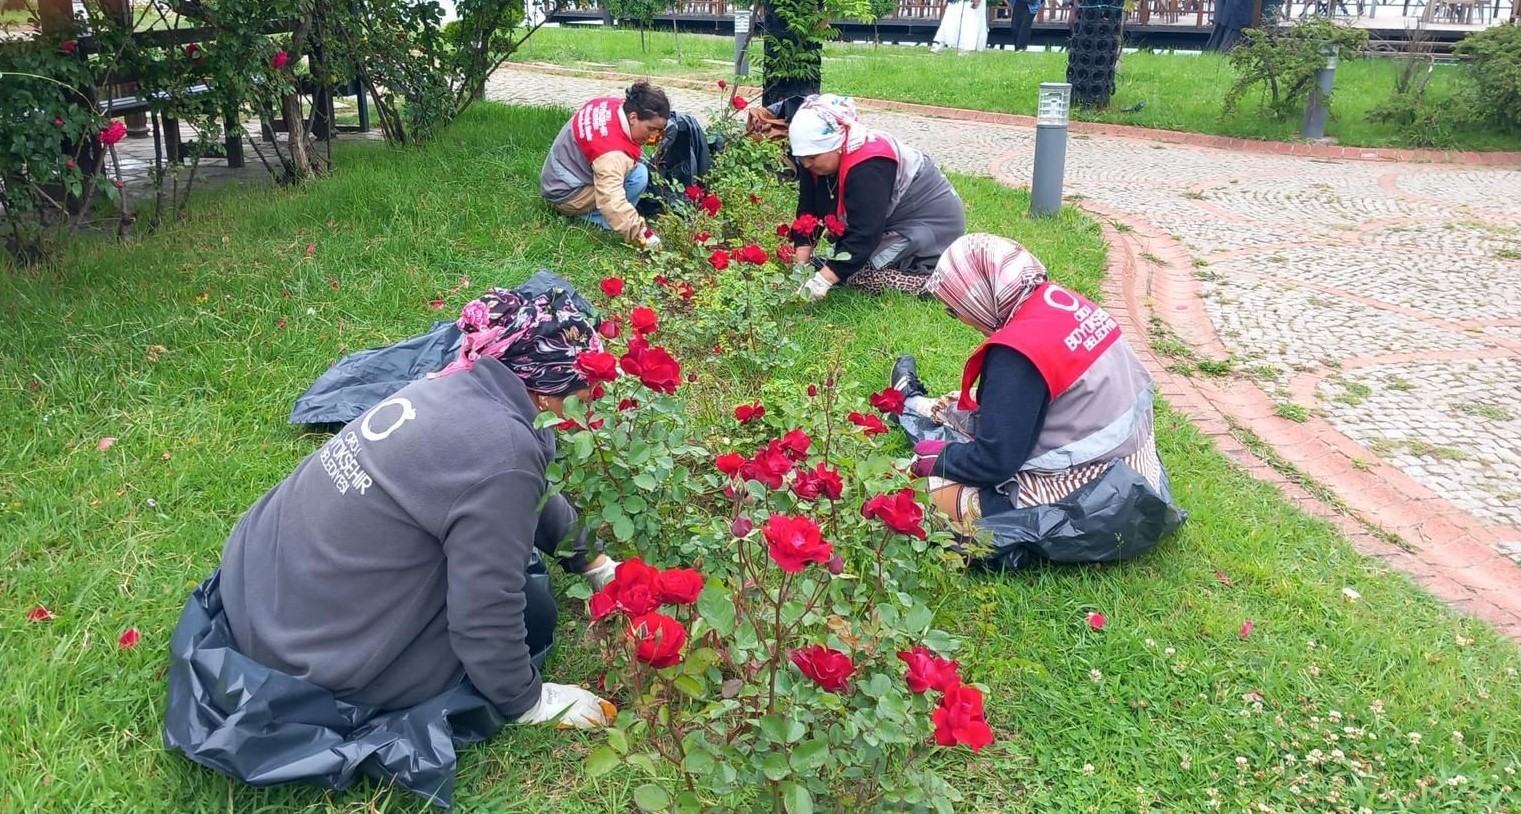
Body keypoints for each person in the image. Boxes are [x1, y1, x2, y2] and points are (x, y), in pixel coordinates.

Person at [165, 282, 627, 803]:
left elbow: (533, 492)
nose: (591, 400)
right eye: (584, 388)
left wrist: (594, 562)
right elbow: (484, 613)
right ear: (545, 389)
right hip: (312, 656)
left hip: (260, 590)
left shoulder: (459, 381)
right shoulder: (502, 450)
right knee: (521, 605)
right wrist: (528, 701)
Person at [890, 234, 1180, 564]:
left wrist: (936, 460)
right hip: (1139, 473)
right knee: (963, 415)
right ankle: (911, 402)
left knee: (911, 496)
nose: (963, 320)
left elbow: (993, 462)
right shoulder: (1058, 300)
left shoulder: (1018, 353)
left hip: (1086, 499)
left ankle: (908, 403)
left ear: (979, 298)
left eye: (955, 311)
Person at [789, 95, 966, 300]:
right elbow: (808, 212)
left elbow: (864, 232)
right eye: (801, 157)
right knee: (847, 265)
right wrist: (800, 269)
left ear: (837, 145)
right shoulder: (813, 158)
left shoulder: (869, 166)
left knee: (859, 276)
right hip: (886, 219)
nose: (806, 163)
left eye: (811, 157)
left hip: (928, 224)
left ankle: (936, 285)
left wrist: (822, 282)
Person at [540, 81, 670, 249]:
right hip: (566, 195)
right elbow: (611, 199)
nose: (653, 136)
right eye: (650, 129)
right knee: (639, 176)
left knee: (634, 170)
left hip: (556, 179)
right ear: (633, 117)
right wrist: (643, 235)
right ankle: (601, 221)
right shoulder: (611, 155)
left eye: (658, 131)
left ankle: (605, 216)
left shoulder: (610, 105)